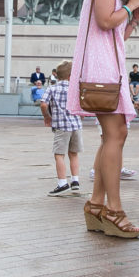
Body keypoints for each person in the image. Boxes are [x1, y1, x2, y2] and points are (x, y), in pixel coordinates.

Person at [66, 0, 139, 240]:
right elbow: (105, 21)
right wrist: (130, 7)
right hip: (100, 71)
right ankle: (114, 210)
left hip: (109, 68)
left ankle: (97, 207)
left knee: (113, 135)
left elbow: (117, 35)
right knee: (116, 134)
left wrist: (134, 16)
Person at [40, 60, 82, 196]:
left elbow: (43, 104)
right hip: (76, 126)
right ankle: (75, 181)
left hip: (61, 126)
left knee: (59, 155)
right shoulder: (76, 89)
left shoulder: (52, 88)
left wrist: (47, 117)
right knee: (73, 153)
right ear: (71, 76)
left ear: (57, 76)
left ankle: (62, 183)